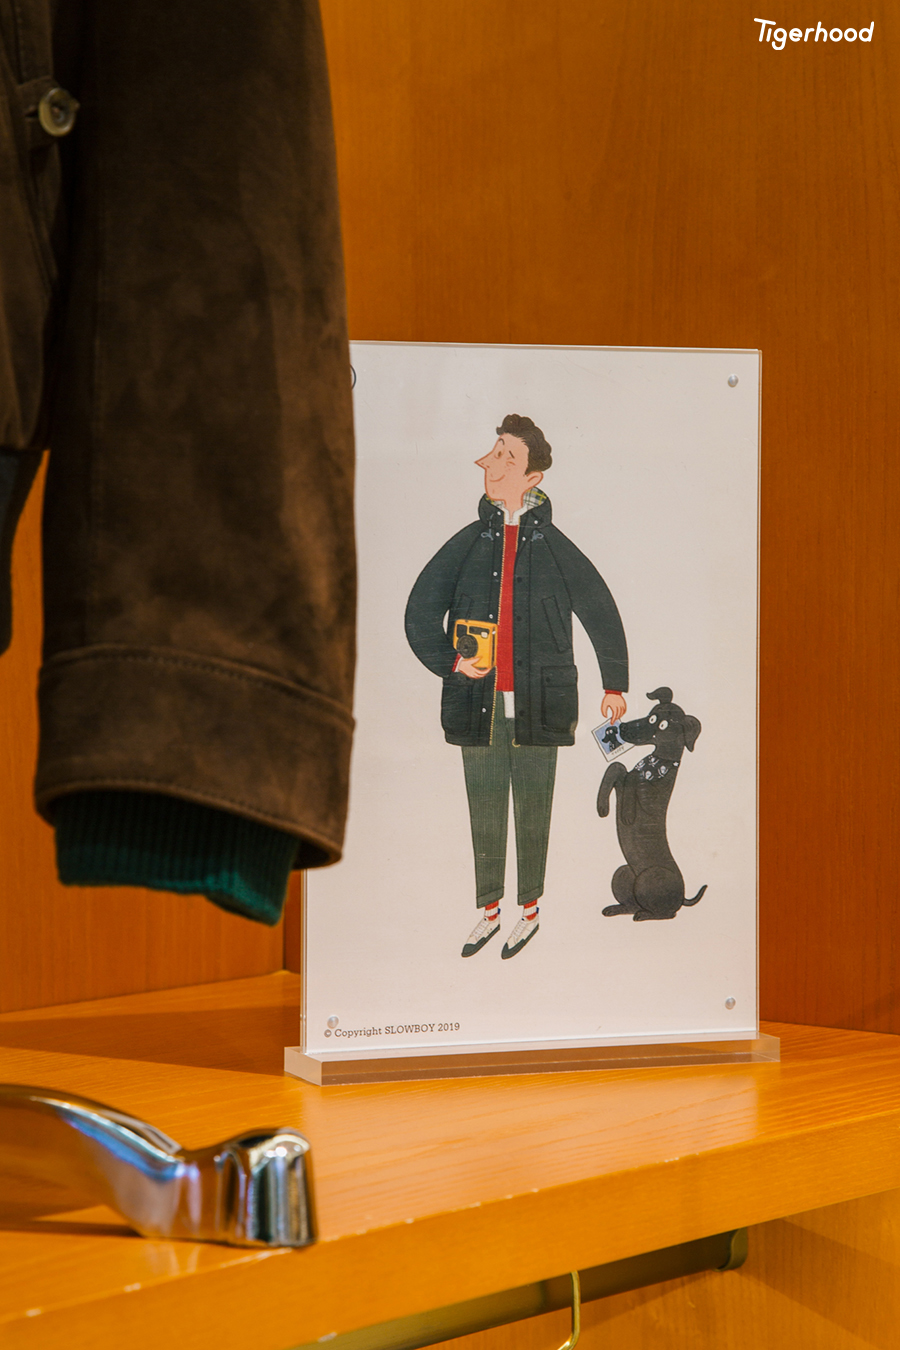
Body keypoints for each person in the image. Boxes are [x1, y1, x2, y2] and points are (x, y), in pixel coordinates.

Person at [405, 414, 628, 959]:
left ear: (533, 477)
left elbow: (600, 609)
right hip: (474, 702)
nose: (493, 463)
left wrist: (614, 684)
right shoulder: (467, 543)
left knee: (533, 808)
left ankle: (528, 912)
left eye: (508, 456)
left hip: (541, 702)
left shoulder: (555, 546)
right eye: (495, 451)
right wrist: (452, 664)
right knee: (484, 807)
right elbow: (418, 613)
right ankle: (488, 911)